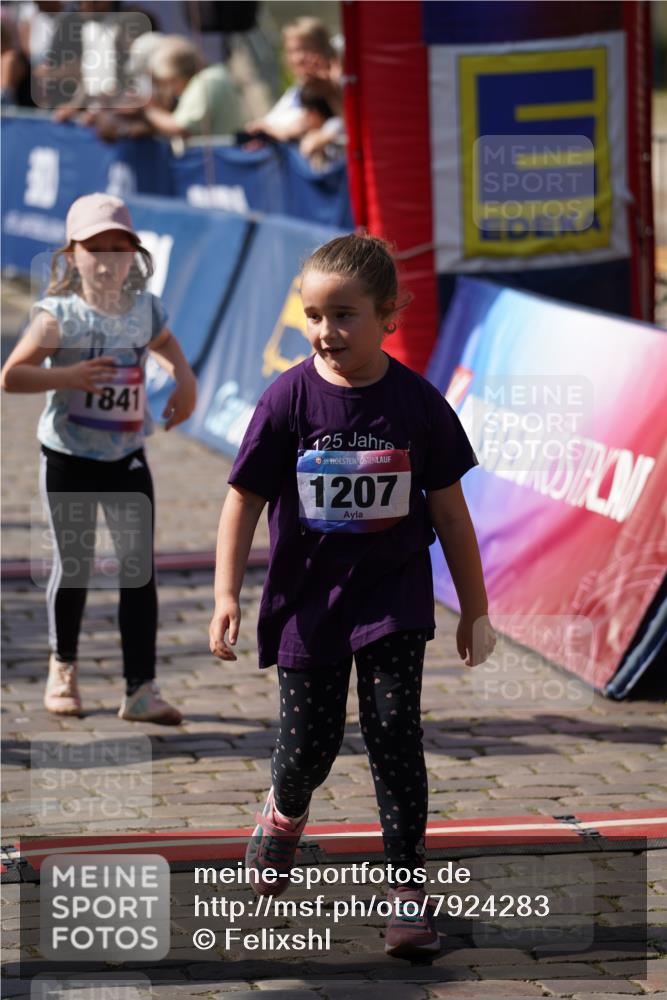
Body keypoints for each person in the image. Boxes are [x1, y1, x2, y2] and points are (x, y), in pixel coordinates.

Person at [208, 234, 497, 957]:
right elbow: (242, 500)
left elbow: (452, 511)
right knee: (308, 747)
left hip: (393, 599)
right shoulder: (287, 399)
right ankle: (282, 813)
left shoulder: (418, 405)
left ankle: (406, 890)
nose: (325, 331)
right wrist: (225, 595)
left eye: (343, 315)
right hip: (309, 602)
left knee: (395, 734)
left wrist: (474, 607)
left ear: (388, 315)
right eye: (312, 315)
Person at [1, 193, 197, 724]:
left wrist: (186, 379)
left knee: (139, 572)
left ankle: (141, 688)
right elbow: (12, 375)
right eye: (95, 248)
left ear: (135, 255)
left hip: (127, 455)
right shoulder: (56, 315)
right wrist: (67, 377)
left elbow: (167, 341)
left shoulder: (142, 308)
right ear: (71, 256)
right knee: (75, 566)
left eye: (119, 247)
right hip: (68, 455)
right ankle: (62, 667)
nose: (108, 259)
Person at [245, 16, 339, 142]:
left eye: (305, 49)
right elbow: (272, 121)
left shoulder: (340, 84)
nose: (298, 59)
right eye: (291, 51)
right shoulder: (297, 90)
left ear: (324, 50)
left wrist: (330, 93)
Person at [142, 34, 243, 138]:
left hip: (221, 152)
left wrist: (148, 110)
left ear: (174, 76)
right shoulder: (214, 75)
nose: (170, 90)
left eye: (168, 82)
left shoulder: (205, 82)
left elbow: (181, 128)